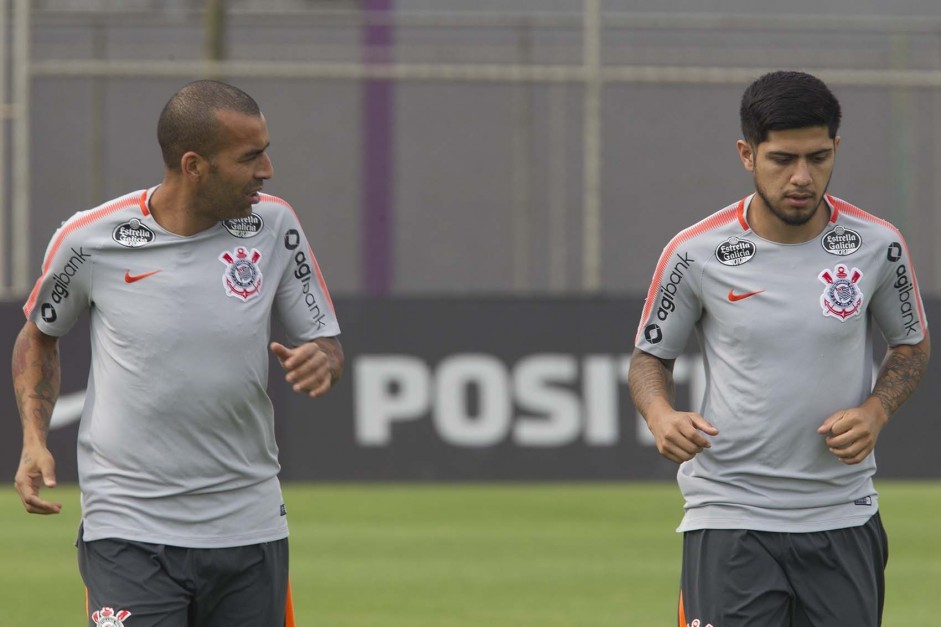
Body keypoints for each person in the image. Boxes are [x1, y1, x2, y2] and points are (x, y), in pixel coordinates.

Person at [12, 80, 344, 627]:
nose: (268, 170)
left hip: (248, 522)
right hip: (127, 525)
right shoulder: (89, 240)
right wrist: (32, 440)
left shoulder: (276, 224)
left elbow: (326, 343)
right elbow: (39, 335)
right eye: (250, 156)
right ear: (194, 165)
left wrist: (324, 361)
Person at [628, 70, 930, 627]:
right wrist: (660, 414)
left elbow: (910, 345)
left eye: (818, 158)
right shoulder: (695, 252)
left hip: (842, 513)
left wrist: (876, 409)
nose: (801, 177)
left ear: (836, 148)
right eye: (782, 159)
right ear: (747, 154)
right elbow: (650, 358)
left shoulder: (878, 245)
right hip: (729, 515)